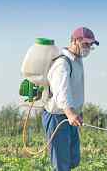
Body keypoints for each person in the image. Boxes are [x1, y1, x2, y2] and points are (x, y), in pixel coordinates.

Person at [42, 27, 99, 171]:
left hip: (69, 116)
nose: (88, 48)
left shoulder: (77, 60)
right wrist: (70, 113)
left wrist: (76, 112)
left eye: (90, 45)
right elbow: (61, 91)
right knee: (61, 165)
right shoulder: (62, 63)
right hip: (58, 118)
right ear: (75, 41)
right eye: (86, 44)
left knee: (73, 160)